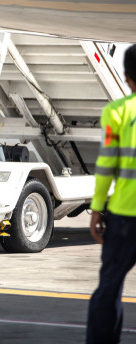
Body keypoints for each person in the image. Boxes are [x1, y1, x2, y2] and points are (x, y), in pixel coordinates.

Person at [86, 44, 136, 344]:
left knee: (110, 287)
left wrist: (96, 209)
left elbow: (105, 167)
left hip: (126, 217)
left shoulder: (117, 112)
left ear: (127, 76)